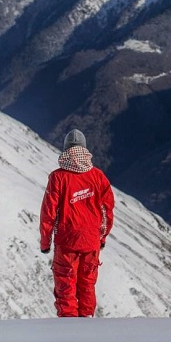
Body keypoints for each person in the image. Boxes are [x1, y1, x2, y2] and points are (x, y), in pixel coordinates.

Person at [39, 129, 115, 317]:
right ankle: (87, 323)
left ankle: (69, 328)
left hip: (66, 242)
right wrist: (102, 237)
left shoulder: (58, 177)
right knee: (87, 285)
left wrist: (45, 242)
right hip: (91, 242)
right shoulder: (98, 176)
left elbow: (49, 213)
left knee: (66, 286)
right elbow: (107, 210)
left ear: (65, 150)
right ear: (84, 150)